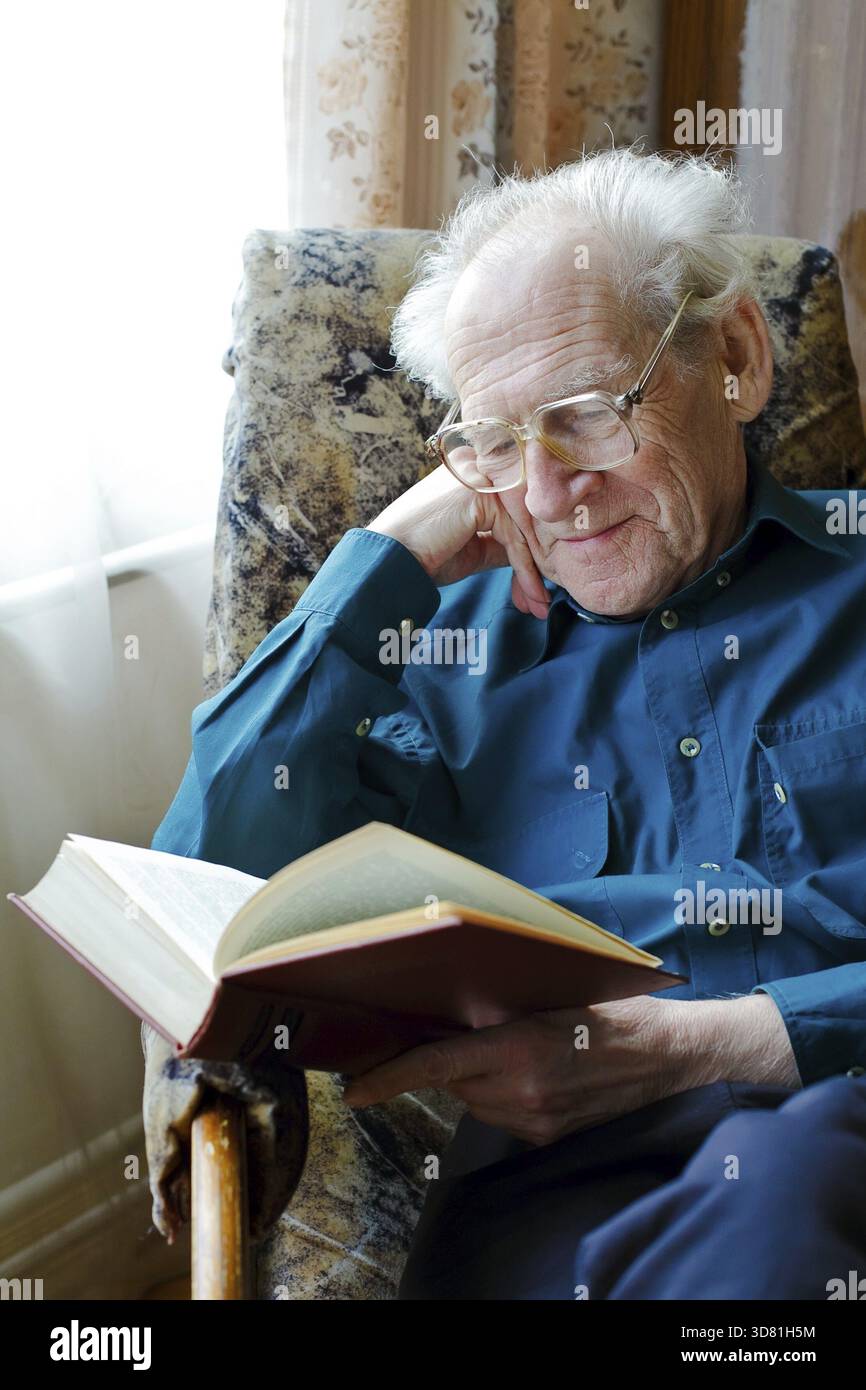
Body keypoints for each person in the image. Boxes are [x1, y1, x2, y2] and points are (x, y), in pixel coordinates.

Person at [146, 149, 866, 1299]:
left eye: (582, 414)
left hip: (837, 1145)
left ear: (733, 355)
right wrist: (383, 555)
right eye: (493, 440)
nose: (542, 492)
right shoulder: (435, 655)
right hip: (555, 1207)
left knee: (787, 1174)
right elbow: (208, 899)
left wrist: (729, 1040)